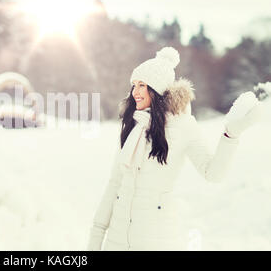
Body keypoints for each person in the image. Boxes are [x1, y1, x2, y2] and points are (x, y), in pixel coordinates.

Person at [87, 46, 264, 251]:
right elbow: (114, 184)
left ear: (157, 89)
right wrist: (96, 237)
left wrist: (231, 135)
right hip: (116, 241)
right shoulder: (131, 125)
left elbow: (213, 173)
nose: (135, 91)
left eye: (142, 85)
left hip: (155, 239)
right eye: (133, 85)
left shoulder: (183, 126)